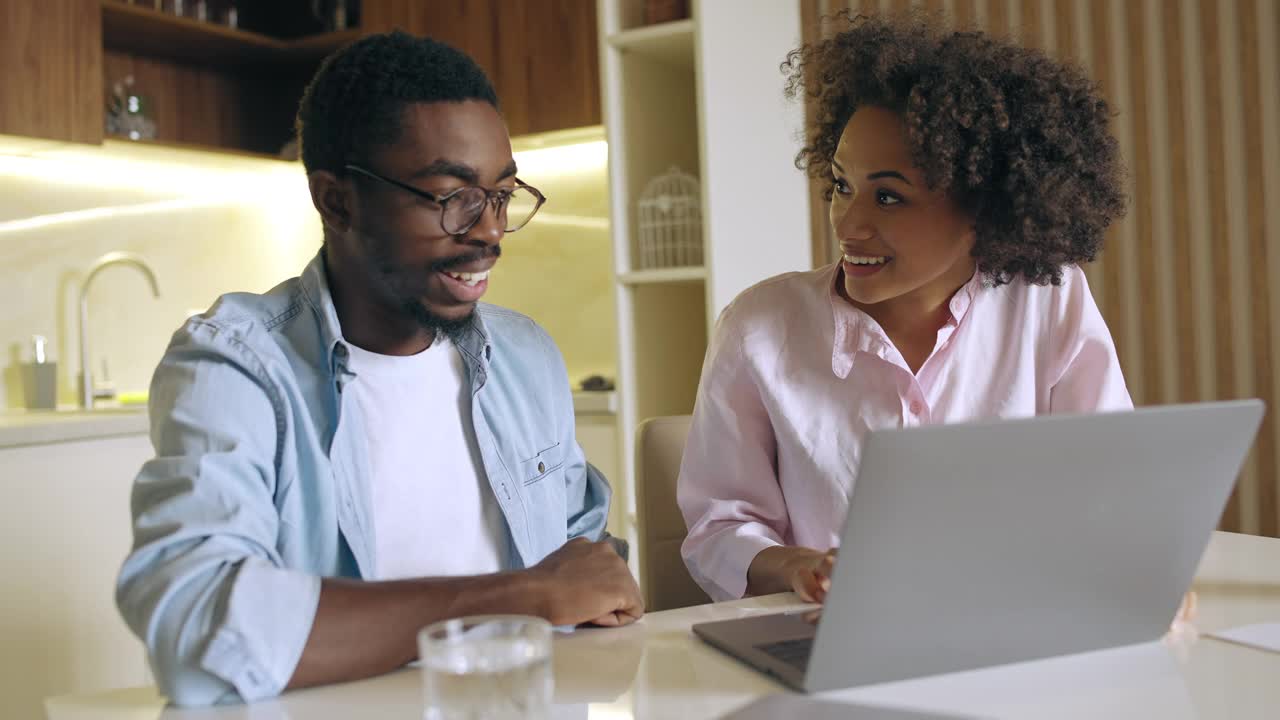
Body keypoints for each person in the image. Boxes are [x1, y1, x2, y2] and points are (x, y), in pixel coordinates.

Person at [116, 31, 642, 707]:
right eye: (452, 196)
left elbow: (586, 566)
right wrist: (518, 597)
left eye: (503, 195)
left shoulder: (524, 357)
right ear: (337, 201)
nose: (487, 232)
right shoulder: (237, 367)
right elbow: (195, 628)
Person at [678, 12, 1132, 604]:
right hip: (825, 643)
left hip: (1016, 627)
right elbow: (716, 531)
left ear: (982, 208)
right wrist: (798, 566)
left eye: (888, 197)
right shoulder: (759, 327)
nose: (848, 221)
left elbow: (1113, 488)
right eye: (843, 185)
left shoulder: (1048, 301)